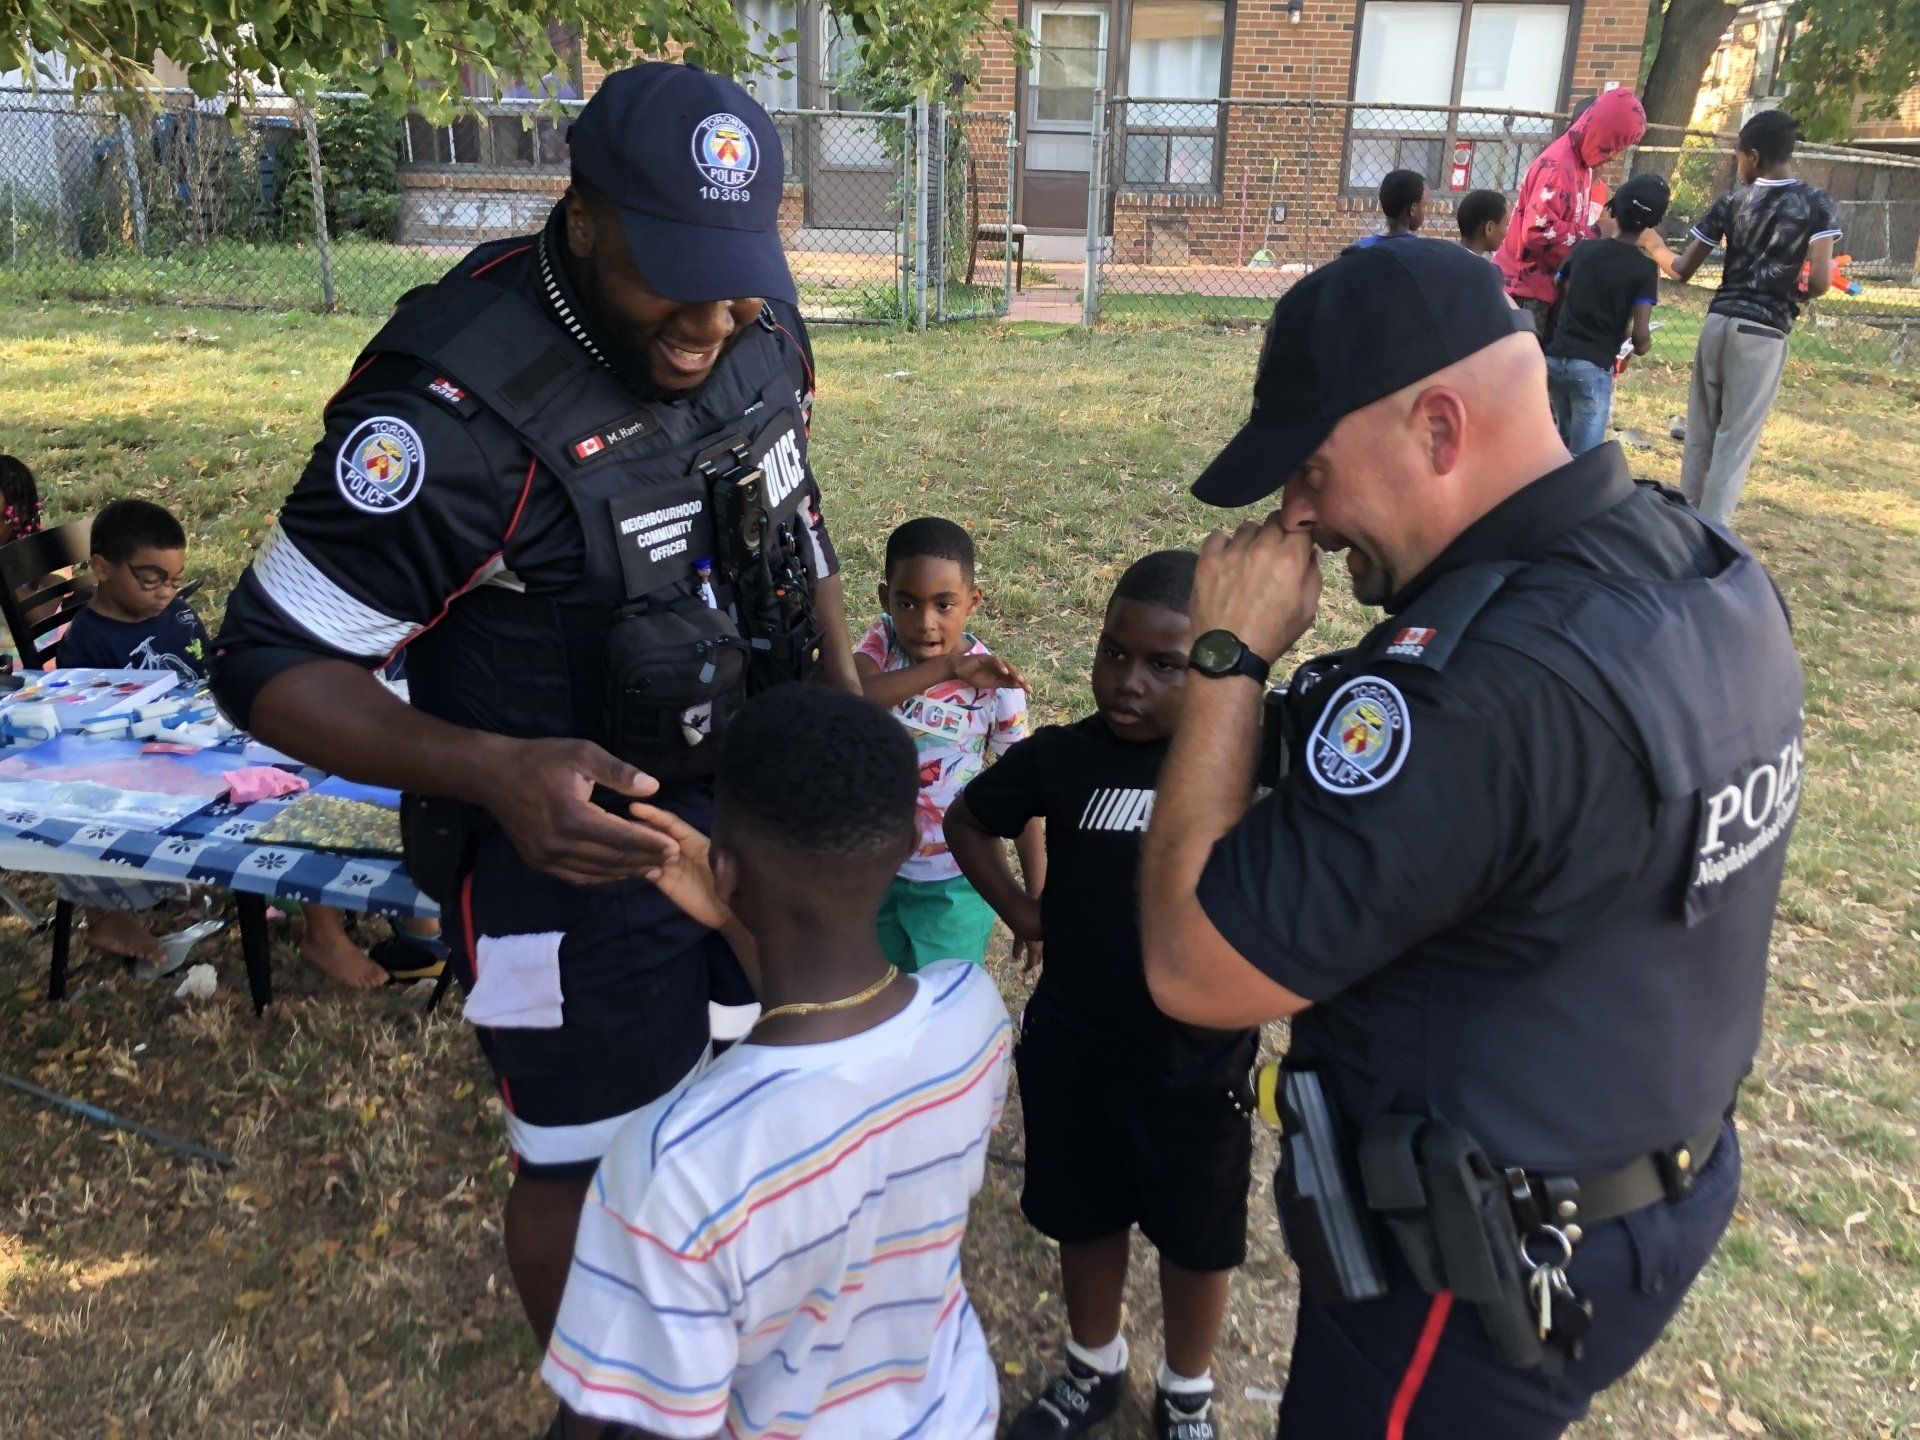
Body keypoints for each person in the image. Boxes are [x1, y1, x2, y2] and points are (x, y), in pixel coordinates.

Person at [210, 62, 862, 1352]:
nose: (709, 319)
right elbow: (264, 659)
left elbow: (793, 513)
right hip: (562, 857)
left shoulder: (758, 325)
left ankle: (713, 1331)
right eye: (670, 271)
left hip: (752, 808)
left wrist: (839, 710)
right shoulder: (448, 420)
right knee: (587, 1157)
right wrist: (495, 772)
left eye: (733, 274)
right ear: (581, 217)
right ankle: (613, 1405)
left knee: (739, 1084)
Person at [1139, 237, 1803, 1438]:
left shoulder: (1482, 690)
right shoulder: (1695, 561)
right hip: (1649, 1190)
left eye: (1311, 470)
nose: (1296, 513)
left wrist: (1227, 662)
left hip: (1472, 1275)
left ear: (1439, 430)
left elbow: (1193, 964)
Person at [540, 684, 1012, 1440]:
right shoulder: (973, 1014)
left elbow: (644, 1417)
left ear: (724, 867)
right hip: (955, 1414)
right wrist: (734, 913)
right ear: (901, 848)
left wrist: (735, 904)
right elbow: (839, 1059)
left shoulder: (676, 1165)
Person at [946, 549, 1256, 1440]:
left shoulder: (1236, 767)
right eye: (1114, 654)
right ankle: (1094, 1365)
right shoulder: (1059, 759)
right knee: (1084, 1214)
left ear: (1214, 666)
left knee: (1199, 1237)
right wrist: (1024, 910)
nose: (1128, 682)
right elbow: (971, 818)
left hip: (1197, 1060)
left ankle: (1188, 1390)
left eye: (1165, 665)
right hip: (1075, 1044)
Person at [58, 500, 420, 983]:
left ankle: (383, 907)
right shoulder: (86, 643)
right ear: (101, 568)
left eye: (174, 578)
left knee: (317, 755)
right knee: (297, 787)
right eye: (151, 578)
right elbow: (93, 737)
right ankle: (323, 931)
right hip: (162, 767)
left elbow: (208, 674)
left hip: (212, 740)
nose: (167, 591)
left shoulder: (179, 615)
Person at [855, 517, 1040, 973]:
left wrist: (1035, 898)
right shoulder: (881, 642)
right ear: (885, 599)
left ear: (973, 601)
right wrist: (948, 668)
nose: (925, 623)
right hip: (869, 870)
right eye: (907, 603)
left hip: (956, 881)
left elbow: (1024, 792)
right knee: (878, 993)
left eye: (944, 604)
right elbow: (853, 696)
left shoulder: (998, 688)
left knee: (942, 1006)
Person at [1670, 109, 1842, 524]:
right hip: (1763, 334)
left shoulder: (1733, 200)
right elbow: (1821, 281)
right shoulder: (1817, 204)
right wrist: (1797, 287)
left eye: (1738, 159)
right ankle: (1712, 537)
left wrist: (1654, 245)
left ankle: (1681, 526)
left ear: (1754, 155)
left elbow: (1682, 268)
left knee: (1700, 433)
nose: (1738, 166)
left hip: (1717, 323)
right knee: (1734, 442)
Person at [1494, 88, 1647, 334]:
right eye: (1614, 146)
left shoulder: (1582, 165)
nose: (1614, 158)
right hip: (1525, 291)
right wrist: (1596, 231)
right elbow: (1536, 233)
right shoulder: (1558, 167)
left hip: (1548, 288)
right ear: (1602, 133)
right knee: (1529, 368)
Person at [1545, 172, 1668, 455]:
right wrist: (1642, 345)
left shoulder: (1584, 249)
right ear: (1653, 224)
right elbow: (1640, 333)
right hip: (1592, 367)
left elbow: (1559, 282)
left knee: (1557, 448)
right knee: (1585, 458)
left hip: (1555, 358)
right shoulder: (1644, 268)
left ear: (1612, 208)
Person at [1355, 169, 1426, 248]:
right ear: (1413, 209)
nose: (1424, 212)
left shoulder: (1359, 249)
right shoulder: (1421, 251)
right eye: (1424, 206)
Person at [1455, 189, 1509, 260]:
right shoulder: (1487, 270)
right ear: (1489, 228)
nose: (1507, 233)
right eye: (1506, 225)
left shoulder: (1440, 256)